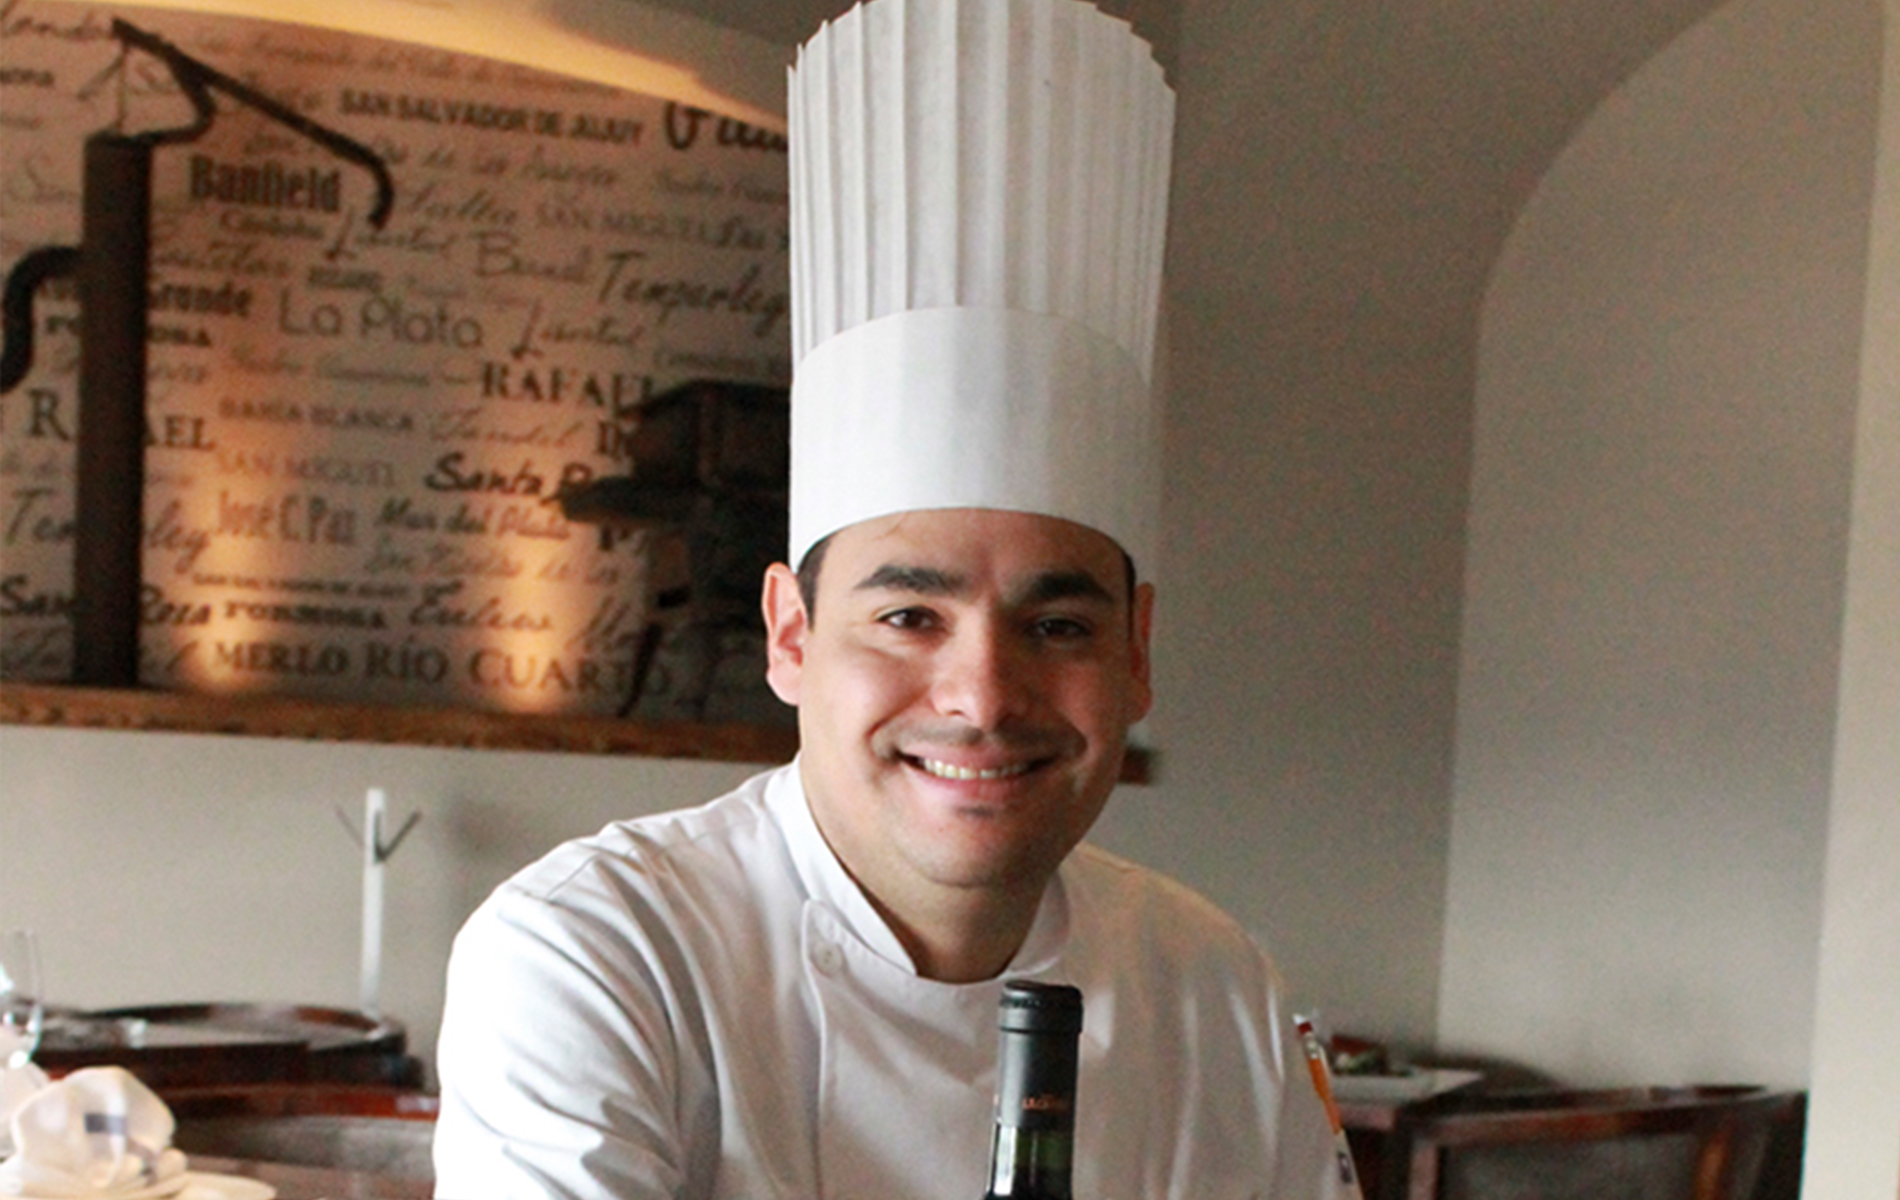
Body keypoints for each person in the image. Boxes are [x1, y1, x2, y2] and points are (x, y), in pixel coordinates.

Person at [432, 0, 1357, 1196]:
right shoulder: (599, 949)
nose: (984, 696)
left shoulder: (1216, 986)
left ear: (1135, 656)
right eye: (910, 617)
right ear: (790, 635)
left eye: (1056, 625)